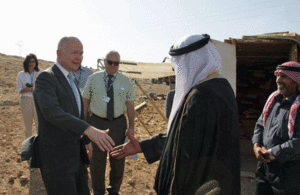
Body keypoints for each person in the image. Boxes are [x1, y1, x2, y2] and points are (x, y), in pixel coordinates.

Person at [111, 34, 241, 194]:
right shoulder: (221, 86)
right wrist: (143, 147)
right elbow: (184, 137)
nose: (174, 69)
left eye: (177, 64)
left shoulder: (201, 96)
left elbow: (186, 155)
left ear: (193, 61)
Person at [33, 36, 115, 195]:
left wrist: (85, 141)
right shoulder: (46, 78)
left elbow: (78, 113)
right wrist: (88, 130)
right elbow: (52, 112)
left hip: (76, 156)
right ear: (59, 53)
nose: (79, 57)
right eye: (74, 53)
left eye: (81, 53)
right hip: (56, 159)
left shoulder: (72, 79)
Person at [82, 50, 136, 195]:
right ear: (104, 62)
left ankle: (114, 191)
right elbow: (85, 101)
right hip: (96, 124)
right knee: (97, 161)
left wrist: (131, 127)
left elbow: (130, 105)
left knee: (118, 158)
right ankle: (98, 191)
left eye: (116, 63)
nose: (113, 66)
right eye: (110, 62)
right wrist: (84, 124)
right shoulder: (94, 78)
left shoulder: (126, 80)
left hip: (118, 124)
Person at [252, 61, 300, 195]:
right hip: (264, 168)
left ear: (296, 80)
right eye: (277, 76)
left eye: (284, 76)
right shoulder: (273, 100)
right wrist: (256, 146)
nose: (278, 80)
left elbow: (298, 142)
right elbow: (260, 124)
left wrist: (272, 153)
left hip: (288, 171)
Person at [17, 53, 43, 139]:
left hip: (38, 100)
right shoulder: (21, 74)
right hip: (26, 100)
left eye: (33, 61)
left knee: (39, 124)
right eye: (29, 61)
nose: (31, 63)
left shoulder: (41, 73)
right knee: (28, 125)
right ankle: (28, 147)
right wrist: (31, 88)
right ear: (26, 63)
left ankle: (40, 146)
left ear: (36, 62)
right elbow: (20, 90)